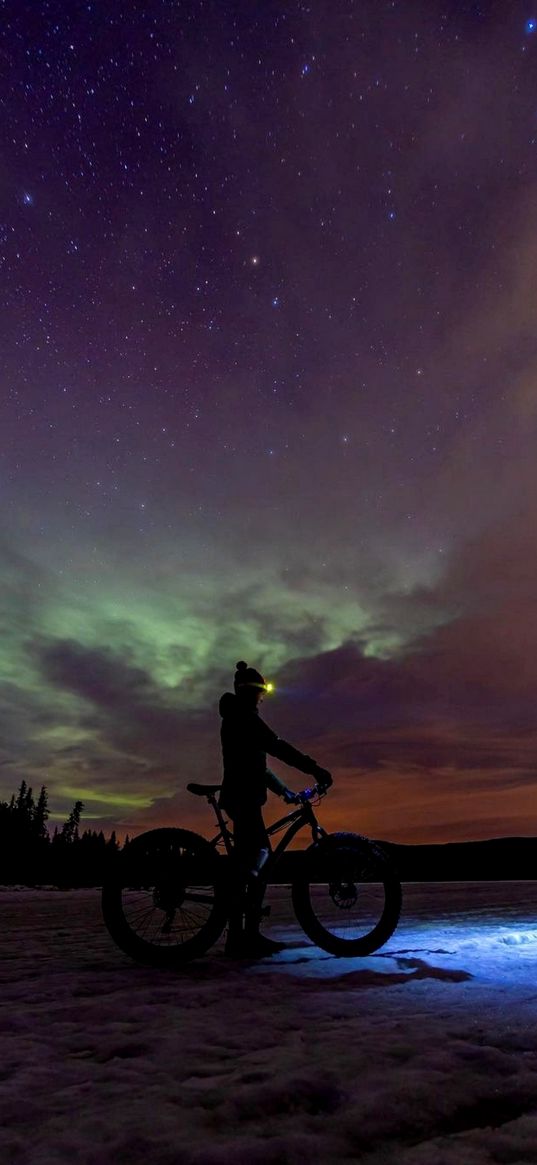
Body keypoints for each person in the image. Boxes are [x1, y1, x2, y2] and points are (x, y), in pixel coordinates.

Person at [219, 660, 332, 958]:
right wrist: (315, 769)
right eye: (261, 693)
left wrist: (285, 792)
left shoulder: (238, 717)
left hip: (242, 796)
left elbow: (260, 767)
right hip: (242, 798)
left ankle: (241, 933)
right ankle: (242, 936)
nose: (262, 699)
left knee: (254, 860)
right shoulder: (244, 718)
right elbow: (277, 746)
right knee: (258, 858)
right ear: (251, 692)